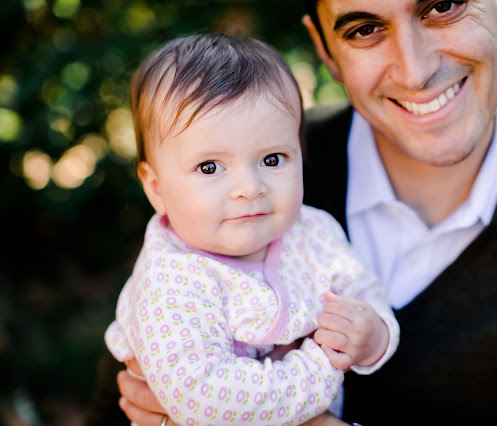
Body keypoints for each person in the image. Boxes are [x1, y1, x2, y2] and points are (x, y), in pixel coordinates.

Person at [88, 0, 497, 424]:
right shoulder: (230, 171)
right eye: (363, 28)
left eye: (442, 4)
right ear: (326, 49)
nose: (416, 69)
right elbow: (124, 402)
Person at [99, 32, 399, 426]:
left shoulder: (312, 233)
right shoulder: (171, 279)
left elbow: (364, 293)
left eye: (272, 159)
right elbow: (208, 397)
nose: (249, 188)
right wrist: (319, 367)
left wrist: (372, 333)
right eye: (210, 167)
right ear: (156, 188)